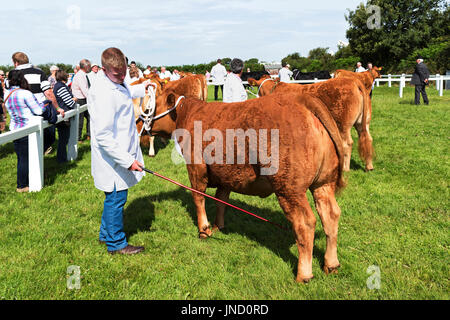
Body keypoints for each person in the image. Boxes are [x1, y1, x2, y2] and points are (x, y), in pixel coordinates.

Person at [88, 47, 153, 255]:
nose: (123, 76)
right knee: (116, 198)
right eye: (118, 73)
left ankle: (105, 234)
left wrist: (144, 87)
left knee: (112, 198)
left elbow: (127, 89)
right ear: (105, 69)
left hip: (121, 151)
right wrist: (128, 160)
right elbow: (104, 136)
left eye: (124, 70)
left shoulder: (115, 80)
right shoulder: (104, 94)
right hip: (113, 156)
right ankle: (116, 243)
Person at [4, 70, 59, 192]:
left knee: (21, 158)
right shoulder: (26, 93)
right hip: (28, 127)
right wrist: (45, 103)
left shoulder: (7, 93)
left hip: (15, 127)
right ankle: (22, 185)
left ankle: (24, 182)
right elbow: (38, 111)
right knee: (27, 158)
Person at [12, 52, 64, 155]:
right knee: (48, 131)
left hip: (19, 112)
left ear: (16, 63)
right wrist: (57, 108)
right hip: (38, 110)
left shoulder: (12, 74)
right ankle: (41, 150)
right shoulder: (39, 73)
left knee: (23, 143)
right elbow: (48, 92)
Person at [53, 70, 76, 163]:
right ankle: (61, 159)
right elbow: (69, 102)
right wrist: (75, 99)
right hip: (63, 116)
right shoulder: (61, 87)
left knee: (63, 138)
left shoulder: (58, 85)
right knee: (63, 138)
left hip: (62, 115)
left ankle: (61, 158)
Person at [71, 59, 91, 142]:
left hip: (84, 99)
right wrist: (92, 99)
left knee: (90, 118)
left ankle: (89, 135)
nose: (90, 67)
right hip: (80, 99)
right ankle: (78, 138)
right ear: (86, 66)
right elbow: (84, 89)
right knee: (80, 121)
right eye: (89, 66)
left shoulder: (83, 74)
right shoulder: (80, 75)